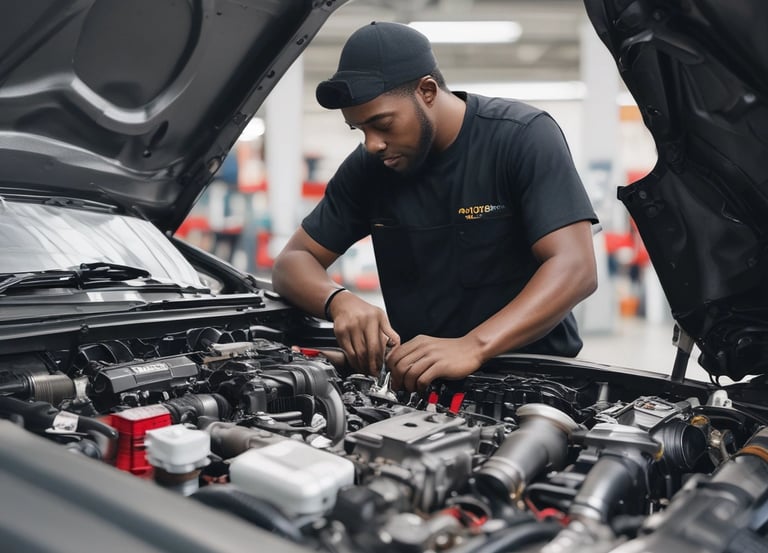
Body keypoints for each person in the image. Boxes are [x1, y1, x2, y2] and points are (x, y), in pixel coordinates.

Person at [272, 21, 598, 392]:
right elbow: (292, 261)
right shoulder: (369, 169)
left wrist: (473, 346)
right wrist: (338, 301)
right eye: (359, 129)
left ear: (427, 90)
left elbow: (575, 267)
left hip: (535, 383)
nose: (372, 143)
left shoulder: (521, 137)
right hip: (424, 385)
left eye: (382, 124)